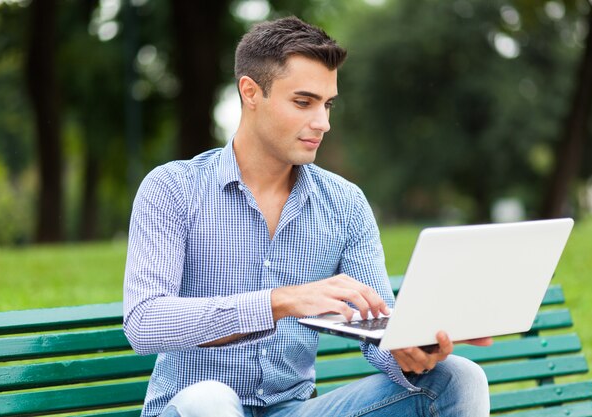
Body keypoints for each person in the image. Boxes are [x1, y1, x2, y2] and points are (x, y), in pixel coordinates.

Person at [123, 16, 491, 417]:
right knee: (209, 398)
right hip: (192, 407)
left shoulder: (345, 203)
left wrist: (409, 348)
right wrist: (280, 302)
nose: (323, 123)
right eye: (303, 102)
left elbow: (376, 325)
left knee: (459, 378)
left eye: (327, 104)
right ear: (250, 92)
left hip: (294, 410)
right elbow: (145, 323)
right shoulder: (172, 188)